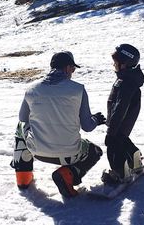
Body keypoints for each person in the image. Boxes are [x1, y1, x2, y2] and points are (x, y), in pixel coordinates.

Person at [11, 51, 106, 197]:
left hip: (37, 151)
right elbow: (87, 126)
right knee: (95, 151)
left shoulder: (32, 89)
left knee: (20, 127)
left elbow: (23, 118)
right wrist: (96, 120)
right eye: (73, 69)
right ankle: (68, 174)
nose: (72, 73)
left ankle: (23, 177)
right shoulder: (78, 89)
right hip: (70, 155)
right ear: (67, 68)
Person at [102, 44, 144, 184]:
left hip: (120, 121)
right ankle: (135, 159)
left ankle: (120, 174)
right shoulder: (129, 78)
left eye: (116, 62)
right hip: (125, 121)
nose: (113, 65)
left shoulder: (125, 82)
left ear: (124, 64)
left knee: (113, 148)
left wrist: (111, 131)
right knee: (122, 139)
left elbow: (120, 108)